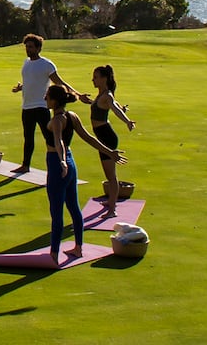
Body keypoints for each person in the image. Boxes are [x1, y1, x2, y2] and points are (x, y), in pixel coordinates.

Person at [44, 84, 123, 263]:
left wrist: (62, 161)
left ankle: (54, 254)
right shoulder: (72, 116)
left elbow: (59, 142)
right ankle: (78, 248)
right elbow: (89, 138)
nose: (45, 99)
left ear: (54, 100)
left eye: (47, 96)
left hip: (59, 166)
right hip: (71, 166)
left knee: (56, 212)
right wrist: (110, 152)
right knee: (73, 206)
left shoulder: (57, 120)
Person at [9, 34, 80, 174]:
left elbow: (59, 82)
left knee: (51, 138)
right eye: (26, 47)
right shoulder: (26, 63)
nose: (28, 49)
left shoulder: (47, 64)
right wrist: (20, 88)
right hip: (27, 106)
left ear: (38, 48)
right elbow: (31, 81)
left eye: (30, 47)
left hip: (42, 106)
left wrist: (77, 94)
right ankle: (25, 165)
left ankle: (59, 165)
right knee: (28, 138)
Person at [88, 63, 136, 213]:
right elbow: (113, 106)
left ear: (104, 79)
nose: (93, 80)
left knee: (111, 176)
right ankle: (111, 202)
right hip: (102, 136)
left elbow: (114, 109)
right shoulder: (102, 95)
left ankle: (112, 209)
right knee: (109, 175)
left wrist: (127, 120)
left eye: (96, 77)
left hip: (107, 137)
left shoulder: (107, 95)